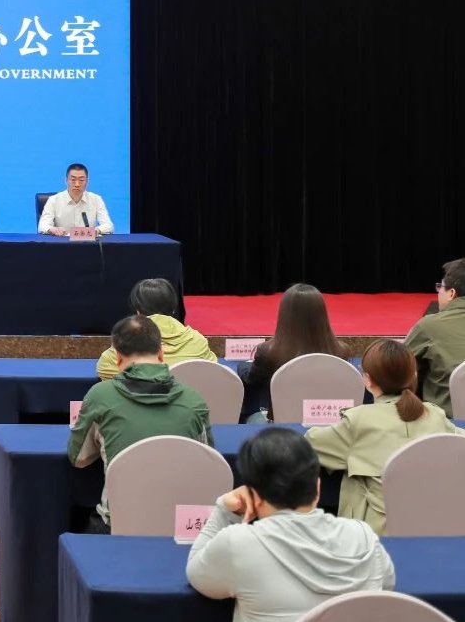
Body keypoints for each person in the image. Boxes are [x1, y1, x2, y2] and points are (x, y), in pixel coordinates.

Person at [187, 427, 395, 622]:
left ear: (254, 495)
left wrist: (224, 509)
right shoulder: (364, 537)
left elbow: (197, 574)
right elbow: (386, 587)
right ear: (318, 488)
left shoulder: (238, 543)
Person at [69, 315, 213, 533]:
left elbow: (78, 458)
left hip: (116, 525)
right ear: (161, 354)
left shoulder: (100, 397)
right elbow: (207, 463)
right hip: (179, 527)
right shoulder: (195, 400)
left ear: (117, 358)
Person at [306, 339, 461, 534]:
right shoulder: (435, 415)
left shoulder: (357, 421)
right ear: (414, 375)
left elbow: (310, 443)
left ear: (367, 379)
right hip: (438, 530)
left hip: (373, 535)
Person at [241, 283, 348, 422]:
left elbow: (251, 380)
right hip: (328, 421)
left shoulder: (269, 352)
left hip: (280, 424)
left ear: (284, 314)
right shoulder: (342, 351)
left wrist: (243, 366)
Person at [95, 278, 216, 380]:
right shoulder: (198, 340)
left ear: (138, 311)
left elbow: (104, 370)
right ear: (174, 309)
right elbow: (212, 368)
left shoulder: (125, 341)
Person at [405, 258, 465, 417]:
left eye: (440, 287)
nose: (438, 292)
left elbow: (400, 370)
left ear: (451, 293)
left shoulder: (429, 326)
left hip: (446, 423)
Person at [38, 163, 114, 235]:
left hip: (87, 242)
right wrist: (51, 229)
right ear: (66, 180)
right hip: (62, 242)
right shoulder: (54, 200)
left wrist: (96, 231)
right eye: (73, 180)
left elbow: (108, 225)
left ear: (87, 181)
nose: (77, 184)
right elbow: (42, 225)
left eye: (81, 180)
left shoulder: (96, 200)